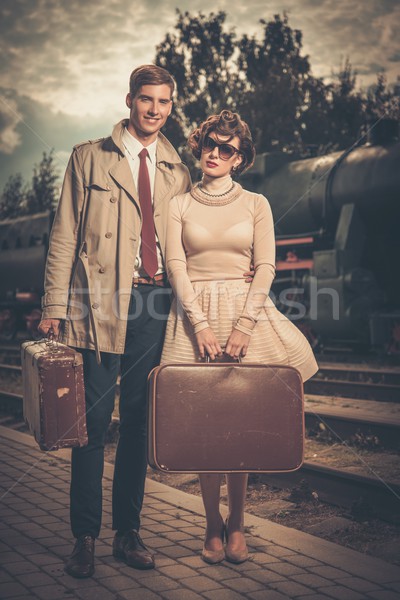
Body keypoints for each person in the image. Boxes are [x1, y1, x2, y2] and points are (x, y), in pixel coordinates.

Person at [37, 65, 193, 578]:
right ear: (130, 100)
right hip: (99, 306)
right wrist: (53, 306)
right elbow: (64, 236)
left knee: (139, 426)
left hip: (154, 305)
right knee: (92, 427)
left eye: (164, 102)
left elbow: (186, 248)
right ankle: (85, 536)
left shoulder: (177, 169)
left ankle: (129, 533)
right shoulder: (89, 157)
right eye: (147, 100)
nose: (155, 110)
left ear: (171, 105)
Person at [160, 109, 318, 565]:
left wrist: (245, 324)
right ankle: (211, 524)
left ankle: (238, 525)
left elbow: (265, 265)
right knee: (207, 426)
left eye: (226, 147)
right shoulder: (180, 205)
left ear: (240, 158)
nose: (214, 152)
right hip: (194, 321)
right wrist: (201, 324)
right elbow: (176, 267)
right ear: (201, 145)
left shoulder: (257, 204)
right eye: (210, 143)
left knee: (241, 424)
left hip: (245, 314)